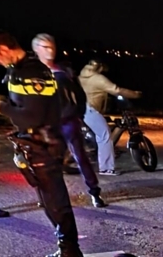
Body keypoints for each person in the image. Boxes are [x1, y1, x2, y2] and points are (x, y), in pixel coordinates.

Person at [0, 27, 85, 257]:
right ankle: (67, 249)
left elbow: (32, 116)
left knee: (55, 201)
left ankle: (71, 254)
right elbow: (27, 105)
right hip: (37, 145)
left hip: (44, 146)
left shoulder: (31, 72)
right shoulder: (19, 69)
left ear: (4, 49)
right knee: (48, 201)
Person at [31, 34, 106, 208]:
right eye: (45, 47)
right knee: (48, 164)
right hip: (46, 125)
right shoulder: (33, 73)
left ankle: (95, 192)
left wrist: (78, 114)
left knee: (80, 157)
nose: (50, 50)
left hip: (68, 122)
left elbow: (79, 95)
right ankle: (48, 197)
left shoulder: (64, 71)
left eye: (52, 46)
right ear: (36, 49)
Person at [78, 60, 140, 175]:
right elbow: (116, 90)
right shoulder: (97, 78)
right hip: (92, 109)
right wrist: (135, 94)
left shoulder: (82, 76)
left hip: (83, 107)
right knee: (105, 136)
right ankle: (106, 168)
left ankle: (103, 165)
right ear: (99, 67)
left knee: (101, 134)